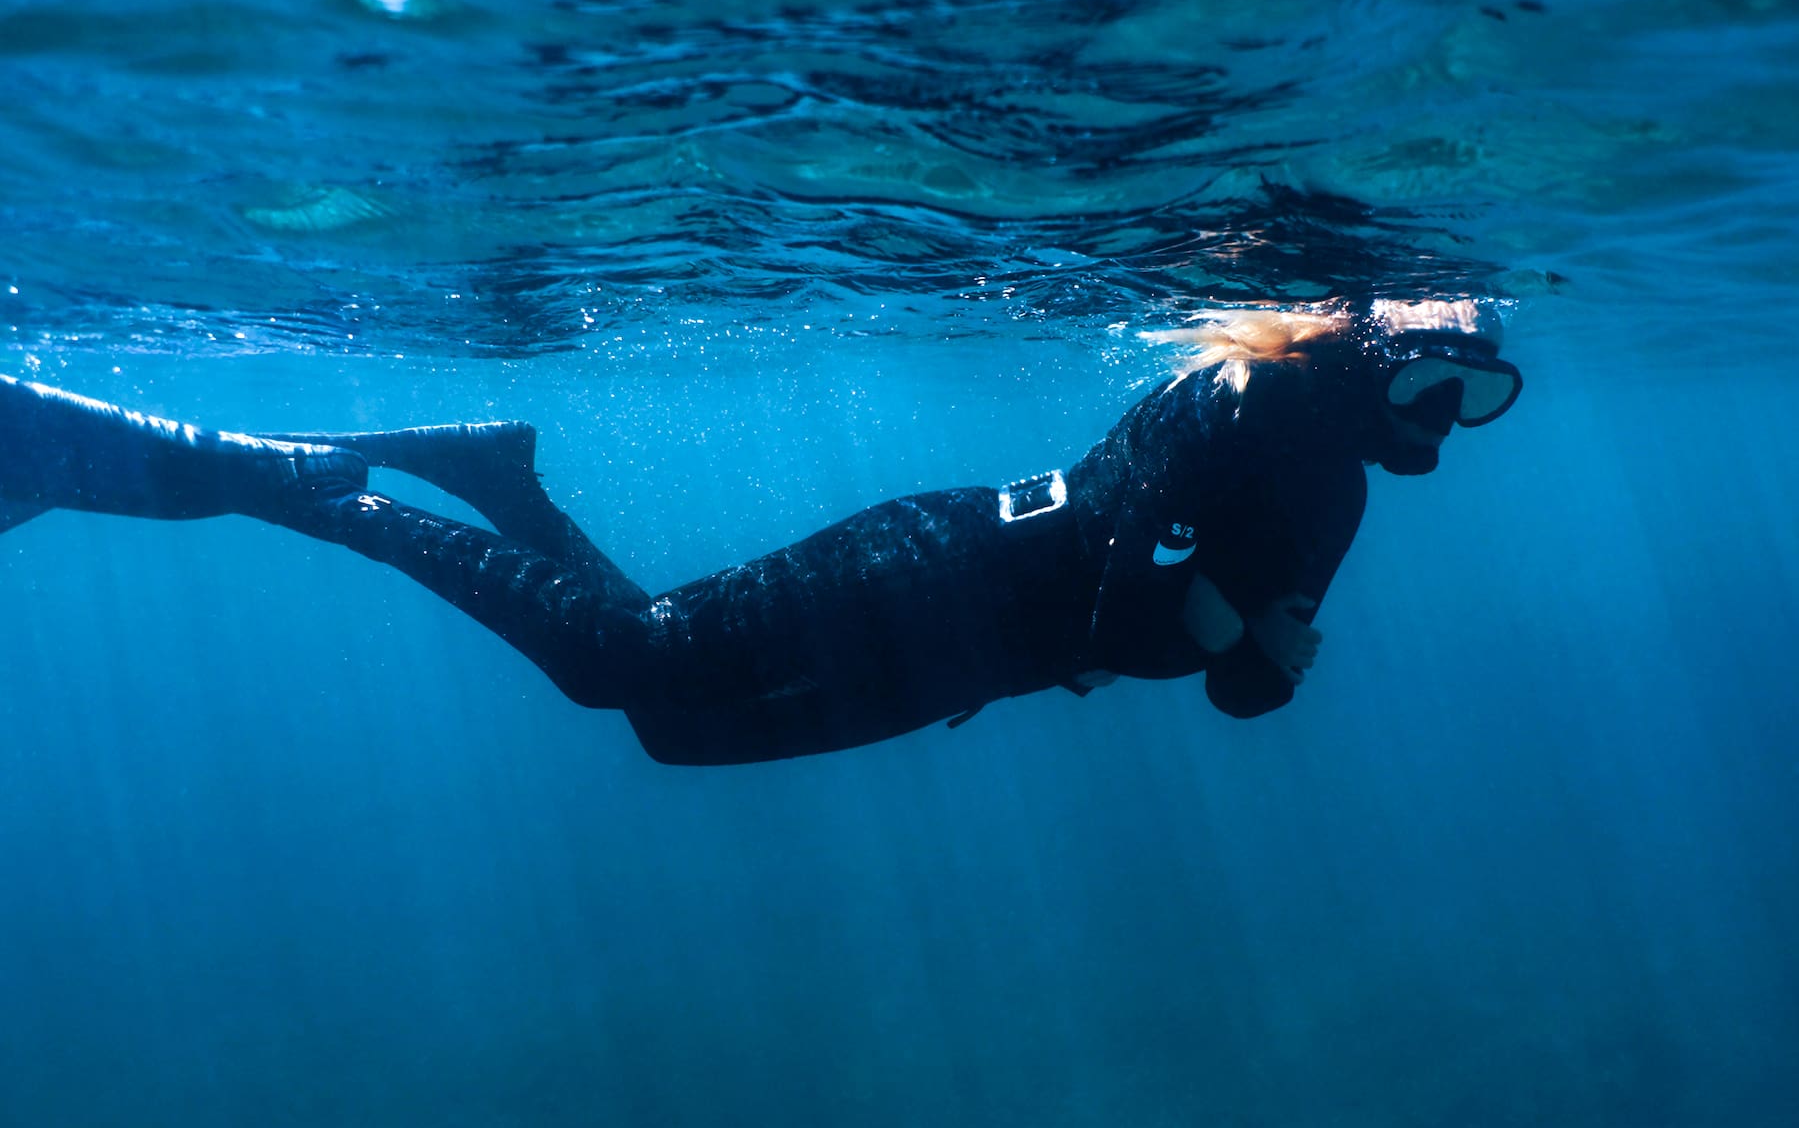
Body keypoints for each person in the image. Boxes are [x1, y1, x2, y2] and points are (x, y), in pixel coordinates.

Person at [0, 301, 1521, 764]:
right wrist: (1217, 630)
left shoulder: (1337, 485)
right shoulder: (1247, 395)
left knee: (671, 726)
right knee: (617, 666)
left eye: (1478, 389)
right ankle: (333, 499)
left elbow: (1241, 685)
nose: (1449, 410)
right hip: (949, 569)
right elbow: (1142, 576)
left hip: (977, 650)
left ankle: (498, 476)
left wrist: (1256, 654)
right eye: (1439, 371)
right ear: (1370, 342)